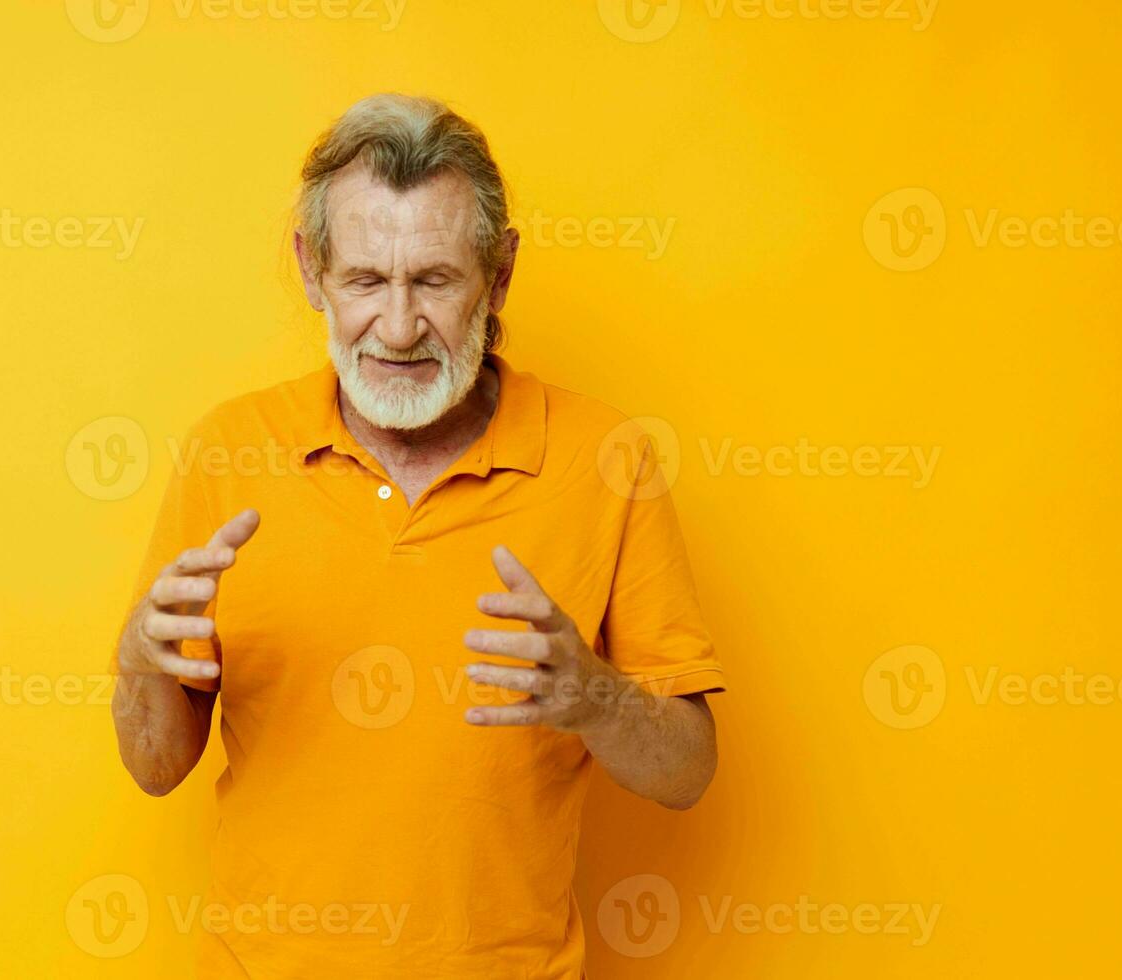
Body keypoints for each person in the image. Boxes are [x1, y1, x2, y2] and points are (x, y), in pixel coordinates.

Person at [110, 92, 726, 977]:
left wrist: (594, 696)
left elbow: (689, 772)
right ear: (310, 268)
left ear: (501, 272)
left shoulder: (607, 460)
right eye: (365, 280)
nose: (397, 329)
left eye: (434, 280)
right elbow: (156, 766)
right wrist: (140, 661)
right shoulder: (227, 450)